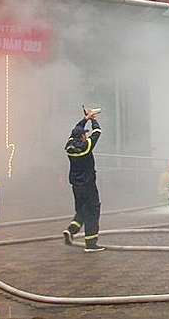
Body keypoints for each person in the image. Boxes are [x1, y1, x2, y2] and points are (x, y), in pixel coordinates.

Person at [62, 108, 105, 252]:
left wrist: (85, 118)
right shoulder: (86, 146)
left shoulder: (69, 145)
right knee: (93, 210)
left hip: (76, 185)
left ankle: (71, 230)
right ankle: (91, 243)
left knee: (81, 210)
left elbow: (76, 129)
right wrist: (93, 120)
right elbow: (97, 132)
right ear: (82, 136)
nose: (85, 136)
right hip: (88, 185)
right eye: (84, 135)